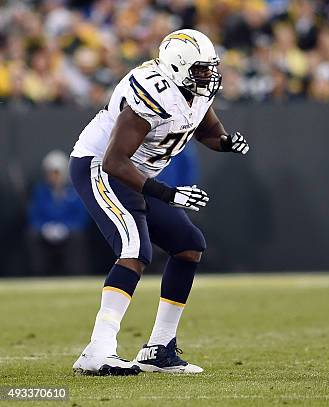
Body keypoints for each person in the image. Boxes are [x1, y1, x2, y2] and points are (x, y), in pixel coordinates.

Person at [69, 29, 250, 376]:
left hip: (135, 173)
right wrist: (169, 194)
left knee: (188, 245)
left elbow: (205, 129)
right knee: (135, 250)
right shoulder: (154, 90)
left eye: (209, 68)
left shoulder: (193, 92)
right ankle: (98, 349)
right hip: (101, 167)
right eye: (200, 69)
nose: (208, 76)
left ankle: (159, 348)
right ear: (178, 67)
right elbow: (114, 161)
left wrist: (226, 142)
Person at [27, 150, 89, 276]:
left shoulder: (75, 191)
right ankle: (38, 274)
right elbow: (34, 215)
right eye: (50, 173)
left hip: (69, 232)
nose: (53, 177)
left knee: (78, 237)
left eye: (56, 173)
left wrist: (65, 227)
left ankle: (74, 274)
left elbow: (81, 217)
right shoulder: (40, 191)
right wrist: (45, 228)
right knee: (32, 235)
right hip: (46, 232)